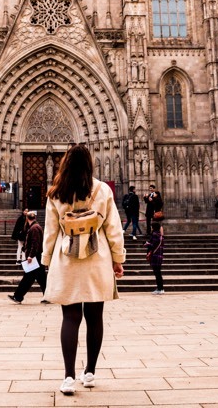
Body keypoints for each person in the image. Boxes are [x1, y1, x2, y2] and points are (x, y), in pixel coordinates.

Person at [41, 143, 125, 395]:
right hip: (96, 258)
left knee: (70, 317)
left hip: (67, 258)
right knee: (95, 317)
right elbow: (113, 227)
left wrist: (46, 261)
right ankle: (89, 372)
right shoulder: (101, 190)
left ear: (65, 163)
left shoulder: (56, 193)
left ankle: (68, 377)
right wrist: (118, 258)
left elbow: (50, 232)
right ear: (90, 164)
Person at [8, 210, 47, 303]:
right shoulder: (36, 227)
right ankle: (48, 296)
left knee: (28, 278)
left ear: (27, 218)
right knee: (41, 278)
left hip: (34, 257)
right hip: (37, 257)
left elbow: (35, 243)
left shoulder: (34, 228)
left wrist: (30, 256)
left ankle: (18, 296)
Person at [144, 215, 165, 294]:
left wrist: (146, 244)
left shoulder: (155, 235)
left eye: (152, 227)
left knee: (157, 273)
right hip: (159, 255)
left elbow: (152, 245)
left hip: (155, 256)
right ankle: (160, 288)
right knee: (158, 273)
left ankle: (160, 288)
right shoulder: (160, 236)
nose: (151, 228)